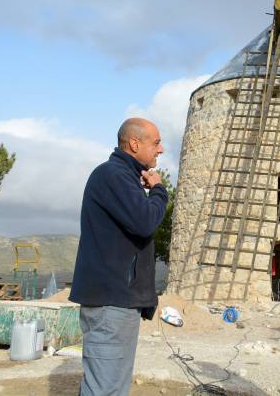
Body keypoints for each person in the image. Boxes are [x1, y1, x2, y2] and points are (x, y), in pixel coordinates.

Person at [69, 118, 168, 396]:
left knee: (112, 387)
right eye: (156, 142)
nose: (160, 150)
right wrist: (159, 190)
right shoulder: (112, 175)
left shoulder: (123, 177)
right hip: (110, 304)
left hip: (117, 303)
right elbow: (145, 221)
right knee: (105, 388)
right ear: (134, 144)